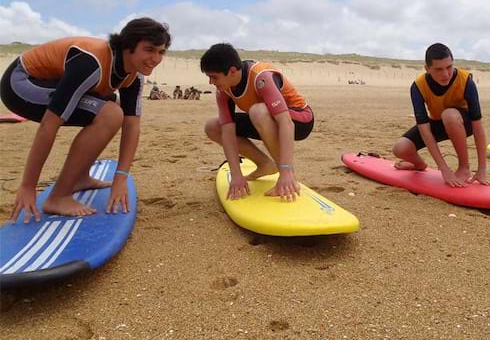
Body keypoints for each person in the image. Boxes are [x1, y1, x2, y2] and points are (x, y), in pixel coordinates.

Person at [0, 18, 171, 222]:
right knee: (110, 114)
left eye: (161, 52)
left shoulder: (135, 75)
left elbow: (132, 124)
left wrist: (121, 177)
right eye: (149, 50)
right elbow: (49, 125)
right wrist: (28, 186)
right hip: (20, 84)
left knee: (113, 111)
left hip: (52, 81)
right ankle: (58, 197)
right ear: (128, 46)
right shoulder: (91, 63)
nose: (155, 58)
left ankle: (79, 178)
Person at [201, 43, 314, 201]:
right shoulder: (223, 90)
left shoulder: (261, 77)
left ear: (232, 71)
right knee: (213, 126)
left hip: (299, 119)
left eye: (214, 77)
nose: (211, 82)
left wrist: (287, 171)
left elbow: (286, 123)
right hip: (264, 118)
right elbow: (227, 131)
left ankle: (286, 175)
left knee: (258, 111)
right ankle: (265, 165)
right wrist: (236, 175)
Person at [392, 43, 490, 187]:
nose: (446, 74)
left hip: (463, 123)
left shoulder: (465, 81)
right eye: (438, 69)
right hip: (437, 122)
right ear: (427, 69)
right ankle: (419, 165)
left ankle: (464, 168)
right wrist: (444, 169)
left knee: (449, 115)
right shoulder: (418, 86)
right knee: (400, 149)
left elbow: (477, 127)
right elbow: (424, 129)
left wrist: (482, 169)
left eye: (449, 67)